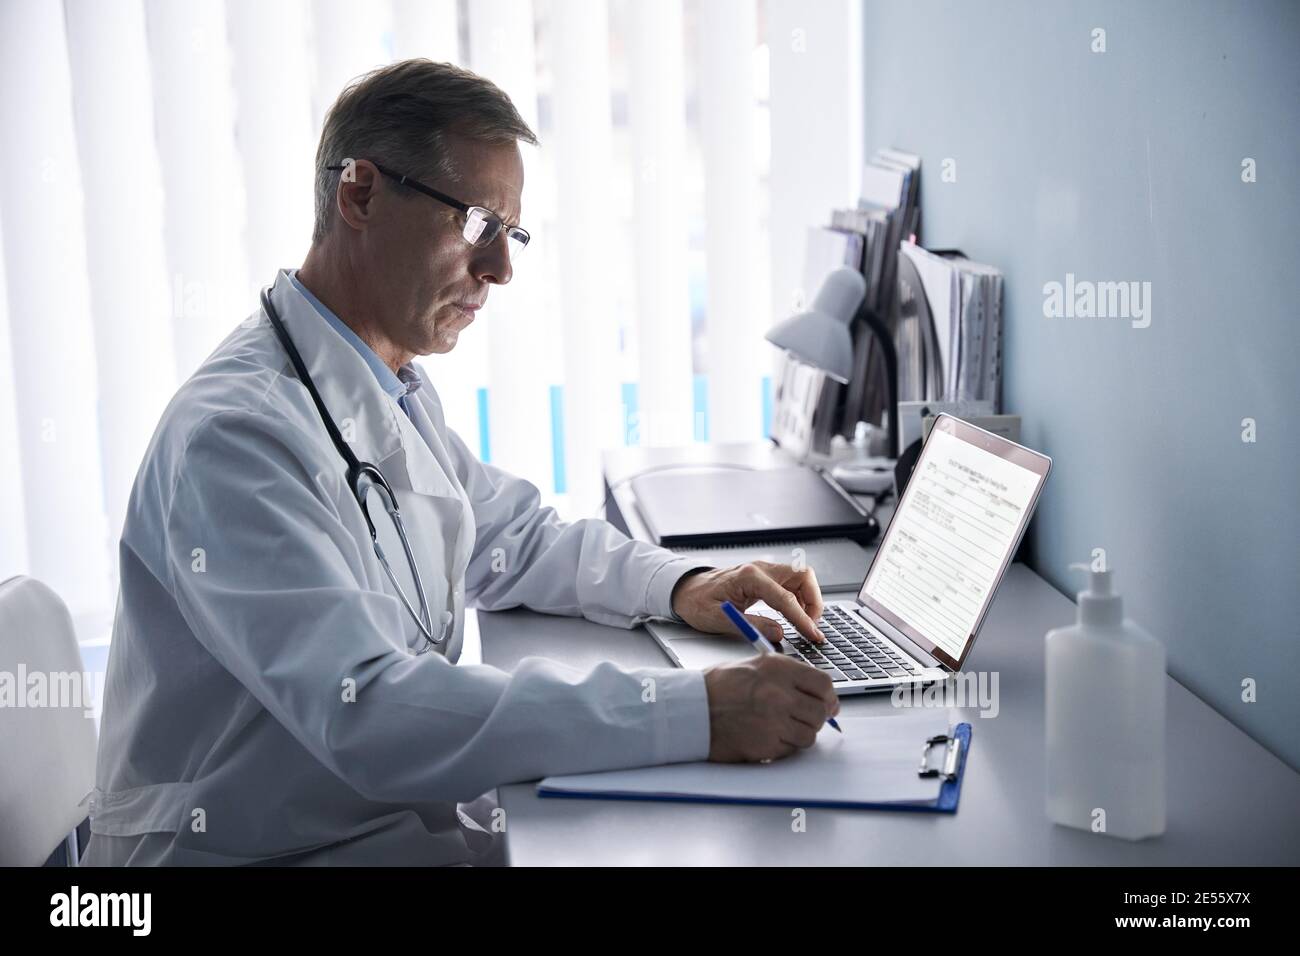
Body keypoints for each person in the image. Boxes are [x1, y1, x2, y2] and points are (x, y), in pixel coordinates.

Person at [86, 59, 837, 866]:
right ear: (361, 194)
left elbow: (513, 537)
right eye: (478, 224)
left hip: (372, 829)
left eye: (509, 235)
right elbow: (367, 708)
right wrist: (693, 712)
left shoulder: (387, 384)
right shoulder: (234, 439)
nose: (501, 271)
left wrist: (684, 585)